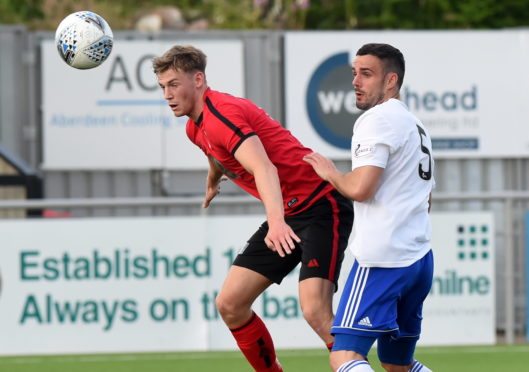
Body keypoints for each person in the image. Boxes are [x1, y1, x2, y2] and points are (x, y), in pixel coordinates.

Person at [152, 45, 354, 372]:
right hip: (287, 212)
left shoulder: (222, 115)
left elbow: (265, 169)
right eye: (163, 87)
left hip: (320, 203)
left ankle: (357, 366)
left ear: (199, 79)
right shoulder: (194, 126)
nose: (167, 94)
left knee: (315, 310)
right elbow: (214, 150)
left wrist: (275, 223)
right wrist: (213, 178)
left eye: (174, 84)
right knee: (230, 304)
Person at [303, 43, 434, 372]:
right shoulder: (416, 125)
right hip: (419, 259)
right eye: (354, 73)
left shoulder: (376, 120)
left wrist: (331, 174)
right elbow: (427, 197)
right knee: (396, 364)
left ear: (391, 81)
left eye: (366, 74)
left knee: (344, 356)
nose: (355, 81)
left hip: (383, 260)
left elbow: (361, 189)